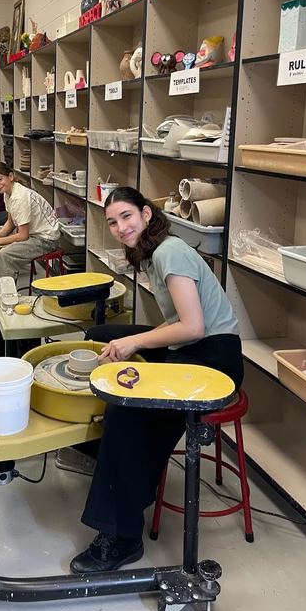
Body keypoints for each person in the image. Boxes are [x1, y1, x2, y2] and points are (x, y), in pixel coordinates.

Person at [70, 186, 243, 574]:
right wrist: (125, 343)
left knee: (129, 411)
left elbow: (194, 327)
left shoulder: (169, 252)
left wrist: (135, 342)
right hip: (194, 347)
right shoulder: (153, 253)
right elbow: (178, 320)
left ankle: (122, 535)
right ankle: (104, 451)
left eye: (127, 216)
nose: (119, 227)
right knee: (100, 337)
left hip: (214, 360)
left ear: (147, 214)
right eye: (112, 221)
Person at [0, 162, 61, 327]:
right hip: (32, 232)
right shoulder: (9, 193)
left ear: (10, 176)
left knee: (4, 256)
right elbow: (10, 222)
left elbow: (23, 236)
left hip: (45, 239)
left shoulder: (20, 197)